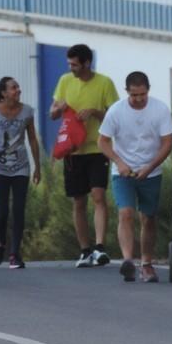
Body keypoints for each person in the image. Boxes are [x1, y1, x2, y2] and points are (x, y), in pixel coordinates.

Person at [98, 71, 172, 283]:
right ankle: (128, 261)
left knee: (148, 218)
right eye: (134, 95)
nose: (139, 99)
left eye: (142, 94)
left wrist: (150, 167)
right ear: (127, 92)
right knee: (126, 213)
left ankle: (147, 263)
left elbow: (167, 143)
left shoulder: (159, 110)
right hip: (123, 172)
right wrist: (119, 162)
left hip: (151, 171)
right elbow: (102, 141)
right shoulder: (116, 111)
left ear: (148, 90)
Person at [49, 43, 120, 268]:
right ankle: (85, 250)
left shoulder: (105, 83)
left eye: (75, 64)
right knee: (78, 200)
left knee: (98, 196)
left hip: (98, 148)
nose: (71, 68)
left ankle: (100, 248)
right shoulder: (64, 81)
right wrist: (58, 110)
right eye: (69, 64)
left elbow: (115, 115)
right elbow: (52, 113)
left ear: (87, 63)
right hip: (73, 151)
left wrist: (95, 112)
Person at [0, 78, 41, 269]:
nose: (18, 90)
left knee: (18, 210)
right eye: (14, 87)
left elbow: (32, 139)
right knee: (1, 213)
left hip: (20, 167)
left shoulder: (27, 111)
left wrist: (37, 167)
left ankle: (15, 254)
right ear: (4, 93)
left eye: (18, 86)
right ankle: (1, 242)